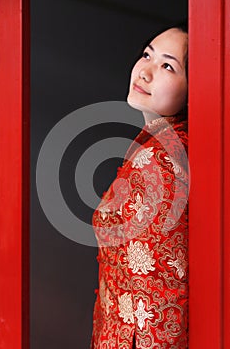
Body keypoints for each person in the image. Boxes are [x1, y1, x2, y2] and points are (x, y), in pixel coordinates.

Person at [91, 25, 189, 348]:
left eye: (168, 65)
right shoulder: (160, 146)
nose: (145, 71)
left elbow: (162, 291)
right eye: (147, 54)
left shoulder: (159, 160)